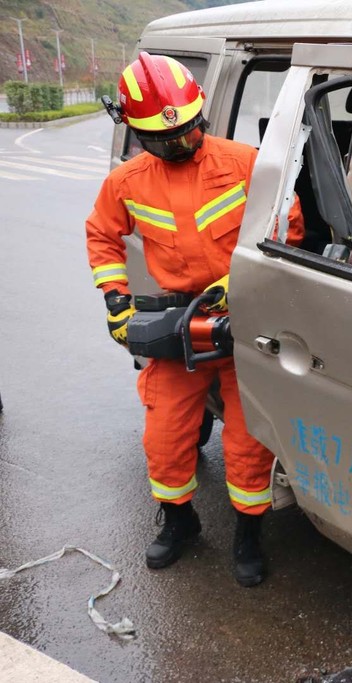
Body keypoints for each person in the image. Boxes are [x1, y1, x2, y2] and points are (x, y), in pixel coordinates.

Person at [85, 53, 304, 587]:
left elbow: (288, 225)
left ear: (200, 116)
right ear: (137, 133)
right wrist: (116, 300)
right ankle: (179, 523)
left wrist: (235, 285)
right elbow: (102, 236)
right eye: (166, 141)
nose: (181, 145)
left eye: (187, 134)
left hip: (243, 319)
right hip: (175, 324)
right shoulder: (128, 182)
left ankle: (248, 534)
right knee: (164, 435)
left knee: (249, 440)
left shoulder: (245, 163)